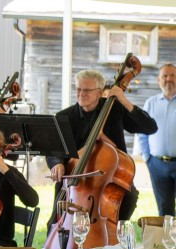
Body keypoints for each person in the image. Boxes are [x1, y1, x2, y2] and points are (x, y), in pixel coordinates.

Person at [46, 69, 157, 224]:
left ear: (100, 92)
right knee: (55, 221)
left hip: (110, 176)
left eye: (86, 90)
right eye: (78, 89)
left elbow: (150, 127)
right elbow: (53, 148)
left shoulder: (114, 108)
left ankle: (113, 230)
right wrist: (56, 163)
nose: (81, 93)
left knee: (130, 195)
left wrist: (123, 99)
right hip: (75, 180)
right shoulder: (65, 117)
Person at [139, 63, 176, 216]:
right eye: (165, 76)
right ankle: (167, 240)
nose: (169, 79)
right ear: (158, 80)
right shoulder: (150, 103)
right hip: (157, 165)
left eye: (173, 75)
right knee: (164, 210)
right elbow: (142, 133)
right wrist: (147, 158)